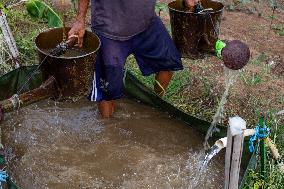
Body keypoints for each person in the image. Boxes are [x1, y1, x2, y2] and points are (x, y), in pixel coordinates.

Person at [69, 0, 198, 118]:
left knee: (169, 62)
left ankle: (156, 104)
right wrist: (80, 20)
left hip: (146, 23)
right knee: (107, 90)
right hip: (110, 31)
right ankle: (108, 131)